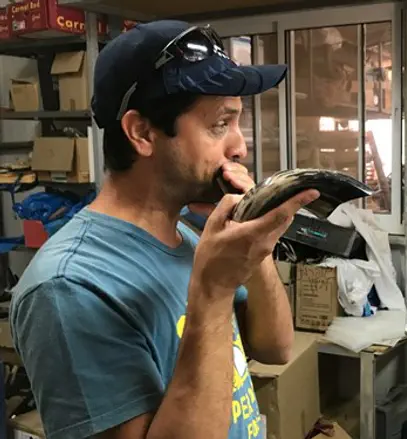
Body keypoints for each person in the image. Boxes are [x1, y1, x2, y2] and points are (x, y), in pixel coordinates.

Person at [9, 20, 319, 439]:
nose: (240, 147)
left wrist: (254, 238)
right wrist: (213, 291)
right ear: (142, 133)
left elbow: (275, 347)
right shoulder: (68, 287)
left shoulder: (190, 238)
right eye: (220, 125)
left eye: (238, 123)